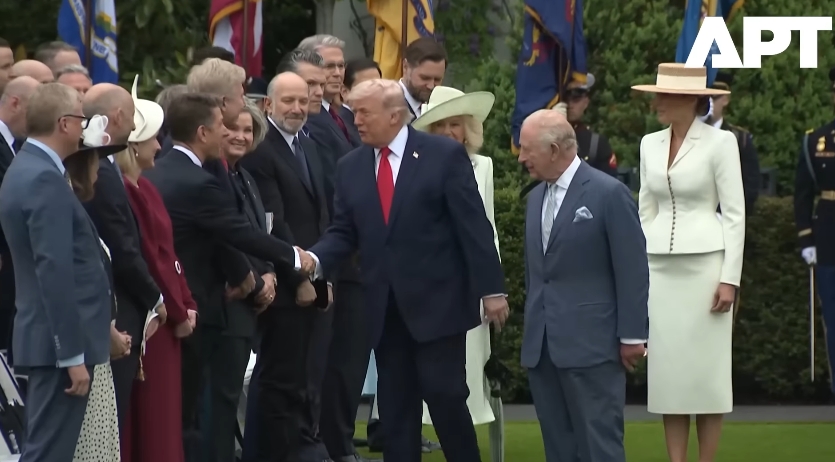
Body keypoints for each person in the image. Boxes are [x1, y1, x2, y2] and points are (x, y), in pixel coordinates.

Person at [303, 79, 508, 462]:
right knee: (396, 410)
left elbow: (473, 226)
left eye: (364, 112)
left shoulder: (442, 155)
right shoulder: (351, 167)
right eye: (354, 112)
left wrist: (492, 290)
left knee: (446, 399)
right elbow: (343, 233)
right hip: (383, 310)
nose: (356, 120)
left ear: (395, 115)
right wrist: (313, 261)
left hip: (439, 306)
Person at [142, 92, 314, 461]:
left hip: (177, 302)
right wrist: (293, 257)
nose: (229, 131)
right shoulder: (197, 182)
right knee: (192, 413)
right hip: (196, 305)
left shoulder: (163, 171)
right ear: (203, 132)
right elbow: (238, 233)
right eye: (222, 125)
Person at [517, 109, 648, 462]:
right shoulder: (534, 199)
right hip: (543, 348)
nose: (521, 157)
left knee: (599, 445)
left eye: (527, 149)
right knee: (558, 448)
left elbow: (632, 269)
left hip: (593, 346)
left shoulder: (609, 194)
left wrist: (633, 336)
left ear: (556, 149)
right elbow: (539, 274)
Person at [633, 63, 745, 462]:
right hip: (660, 270)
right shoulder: (649, 143)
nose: (656, 103)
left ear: (688, 99)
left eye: (662, 95)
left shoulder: (721, 143)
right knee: (669, 378)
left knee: (707, 378)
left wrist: (729, 279)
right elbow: (645, 210)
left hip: (706, 271)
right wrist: (642, 268)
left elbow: (734, 214)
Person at [0, 83, 112, 462]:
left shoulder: (33, 168)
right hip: (56, 345)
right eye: (81, 120)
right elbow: (55, 270)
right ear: (64, 124)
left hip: (50, 340)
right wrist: (71, 356)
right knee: (49, 452)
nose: (85, 129)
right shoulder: (42, 177)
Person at [238, 72, 331, 462]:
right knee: (277, 378)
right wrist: (302, 278)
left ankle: (292, 448)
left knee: (298, 376)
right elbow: (274, 220)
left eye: (303, 100)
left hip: (312, 274)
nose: (297, 108)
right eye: (287, 101)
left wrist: (324, 271)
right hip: (287, 282)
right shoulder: (263, 150)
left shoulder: (306, 144)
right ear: (268, 105)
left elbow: (320, 212)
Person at [411, 85, 505, 461]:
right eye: (441, 125)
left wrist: (492, 288)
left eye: (456, 124)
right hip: (427, 285)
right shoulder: (415, 165)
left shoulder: (483, 166)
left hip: (470, 286)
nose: (450, 132)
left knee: (462, 376)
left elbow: (488, 229)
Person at [116, 76, 194, 462]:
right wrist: (176, 309)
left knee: (164, 414)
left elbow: (170, 253)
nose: (159, 146)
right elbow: (149, 256)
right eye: (152, 139)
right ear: (132, 146)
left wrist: (187, 300)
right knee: (152, 417)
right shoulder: (128, 192)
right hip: (155, 319)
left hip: (167, 314)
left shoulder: (146, 187)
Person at [81, 82, 165, 433]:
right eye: (132, 118)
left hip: (120, 309)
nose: (134, 128)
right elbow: (122, 248)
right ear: (117, 116)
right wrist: (156, 298)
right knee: (105, 424)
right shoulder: (98, 172)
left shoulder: (104, 168)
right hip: (116, 310)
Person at [64, 135, 128, 462]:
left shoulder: (77, 208)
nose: (99, 170)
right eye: (95, 161)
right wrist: (104, 332)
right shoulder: (66, 209)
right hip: (84, 348)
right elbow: (72, 284)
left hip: (97, 349)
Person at [794, 66, 835, 401]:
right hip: (829, 236)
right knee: (833, 320)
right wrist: (806, 237)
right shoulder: (816, 140)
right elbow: (802, 194)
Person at [708, 71, 760, 216]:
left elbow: (749, 187)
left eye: (712, 97)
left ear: (725, 99)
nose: (706, 104)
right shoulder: (685, 135)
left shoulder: (739, 139)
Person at [398, 38, 447, 118]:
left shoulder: (442, 109)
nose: (431, 86)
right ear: (405, 67)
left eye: (437, 80)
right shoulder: (386, 108)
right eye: (425, 78)